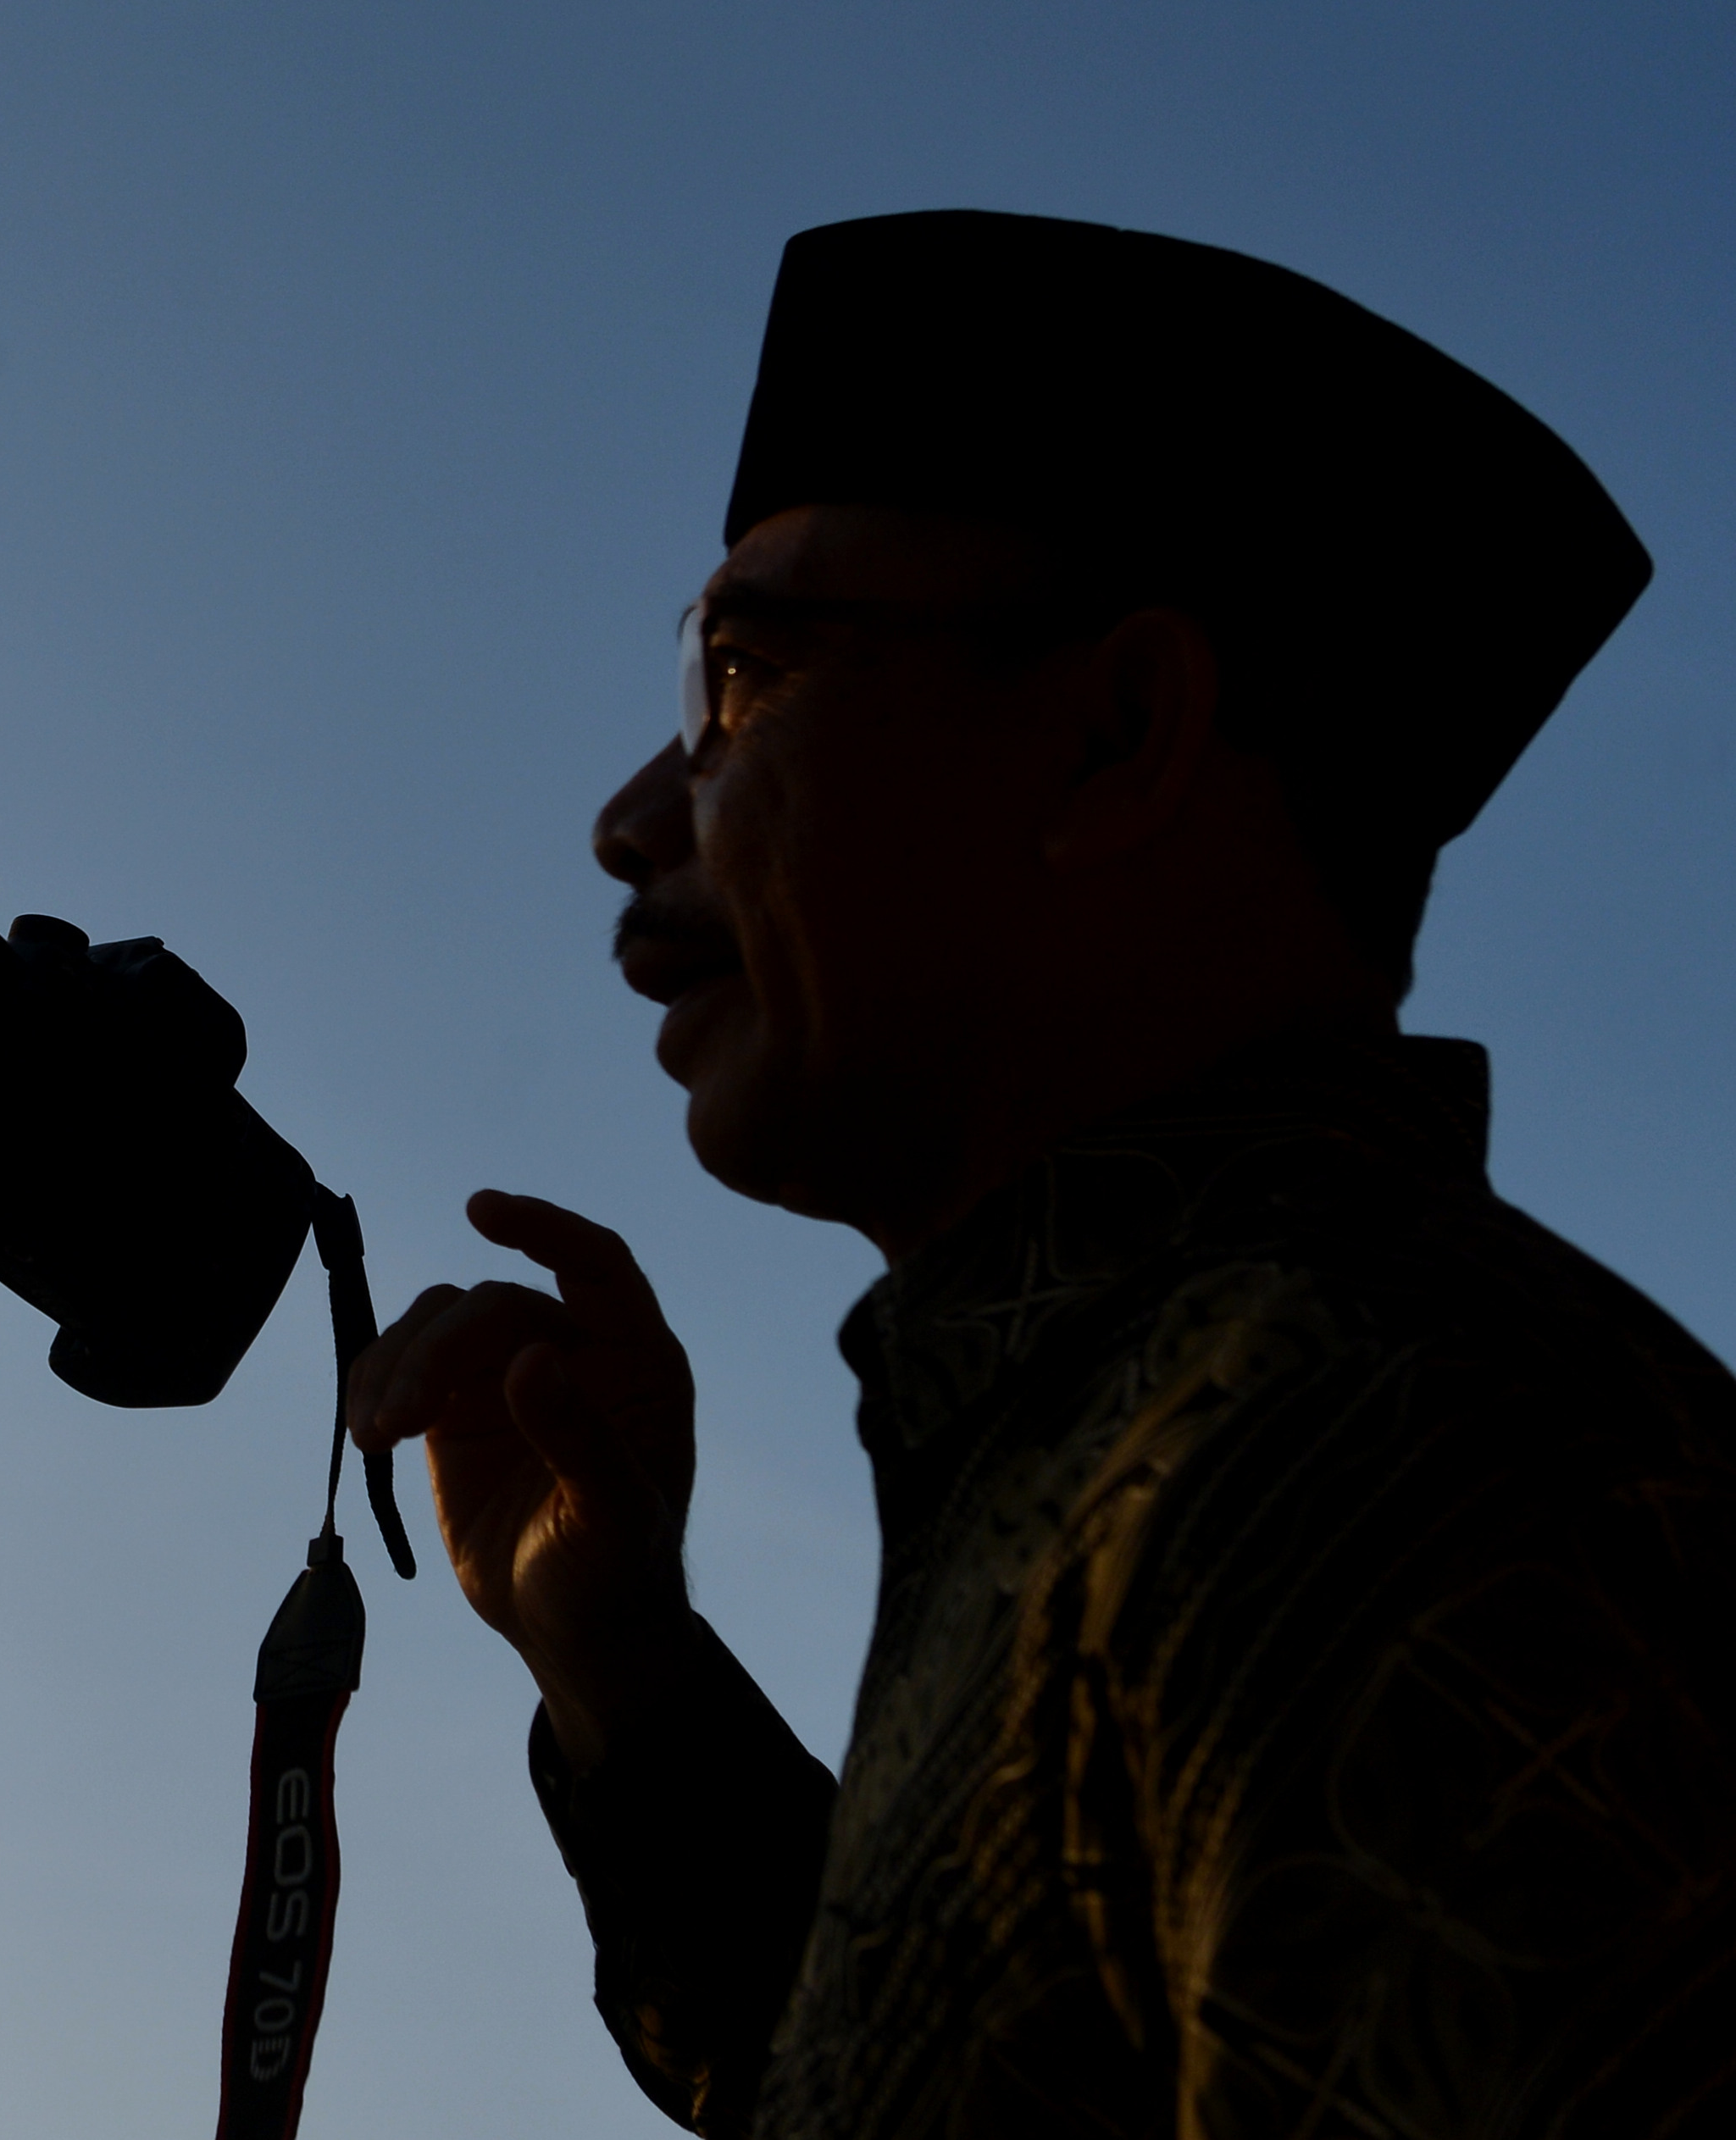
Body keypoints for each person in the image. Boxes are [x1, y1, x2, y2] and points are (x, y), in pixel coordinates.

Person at [347, 210, 1734, 2137]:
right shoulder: (1173, 1421)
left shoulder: (1354, 1441)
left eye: (742, 679)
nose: (627, 818)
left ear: (1112, 735)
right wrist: (620, 1660)